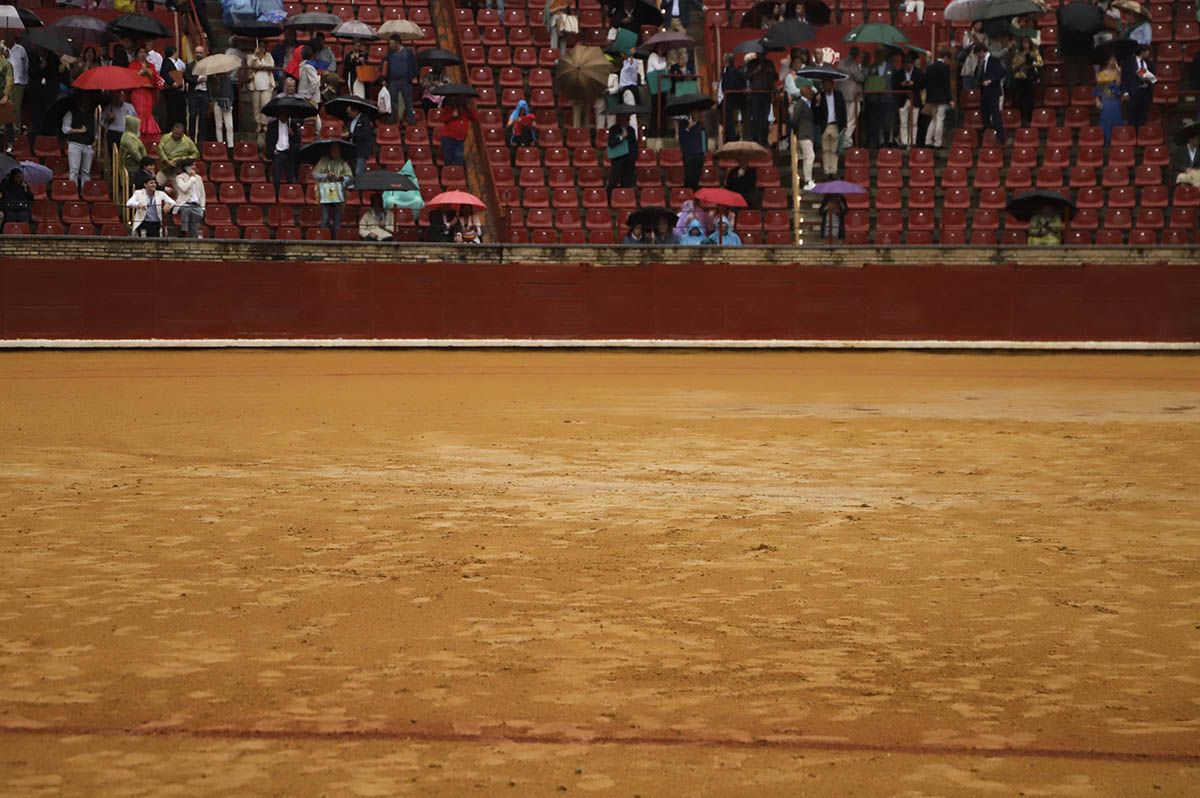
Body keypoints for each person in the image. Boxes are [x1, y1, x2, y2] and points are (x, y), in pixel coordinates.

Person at [314, 142, 353, 238]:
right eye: (333, 149)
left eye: (337, 150)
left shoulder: (342, 163)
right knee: (325, 217)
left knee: (337, 219)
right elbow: (315, 175)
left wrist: (342, 178)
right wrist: (326, 175)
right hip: (325, 192)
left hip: (338, 193)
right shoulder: (323, 161)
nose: (335, 152)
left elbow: (350, 177)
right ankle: (323, 237)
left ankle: (336, 239)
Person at [128, 46, 163, 143]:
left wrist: (150, 73)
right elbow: (130, 79)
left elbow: (157, 80)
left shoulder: (151, 65)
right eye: (140, 52)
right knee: (138, 114)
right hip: (137, 92)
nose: (143, 54)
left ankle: (148, 138)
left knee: (148, 114)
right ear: (137, 54)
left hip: (148, 92)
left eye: (144, 52)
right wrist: (141, 72)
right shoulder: (133, 65)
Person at [61, 97, 96, 191]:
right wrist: (79, 131)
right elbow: (65, 129)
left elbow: (94, 130)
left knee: (86, 172)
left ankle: (85, 191)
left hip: (88, 145)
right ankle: (73, 192)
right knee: (74, 171)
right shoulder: (71, 112)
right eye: (85, 100)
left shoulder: (91, 114)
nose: (87, 102)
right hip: (75, 144)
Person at [975, 42, 1006, 145]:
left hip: (993, 91)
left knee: (995, 114)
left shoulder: (993, 60)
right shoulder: (983, 62)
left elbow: (1002, 73)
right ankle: (987, 133)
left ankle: (1000, 137)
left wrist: (991, 81)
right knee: (984, 114)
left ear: (982, 51)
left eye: (978, 54)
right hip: (986, 92)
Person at [922, 48, 954, 148]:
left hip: (931, 97)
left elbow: (926, 82)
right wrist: (950, 99)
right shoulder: (945, 68)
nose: (949, 62)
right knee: (940, 120)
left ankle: (927, 141)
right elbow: (946, 85)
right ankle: (937, 143)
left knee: (933, 119)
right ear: (945, 57)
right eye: (949, 59)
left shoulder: (930, 67)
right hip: (942, 98)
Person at [1009, 36, 1042, 130]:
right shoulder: (1018, 53)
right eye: (1023, 43)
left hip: (1030, 78)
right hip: (1019, 78)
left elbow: (1040, 63)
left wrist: (1031, 63)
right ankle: (1021, 118)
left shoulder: (1034, 52)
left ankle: (1029, 118)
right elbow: (1013, 67)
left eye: (1027, 43)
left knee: (1030, 99)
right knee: (1020, 99)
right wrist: (1022, 63)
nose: (1025, 44)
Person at [891, 53, 923, 148]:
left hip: (915, 99)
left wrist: (914, 83)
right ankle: (904, 142)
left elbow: (923, 84)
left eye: (909, 63)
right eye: (906, 63)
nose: (908, 65)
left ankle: (912, 142)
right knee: (903, 123)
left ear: (912, 64)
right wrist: (902, 84)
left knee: (914, 123)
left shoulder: (918, 73)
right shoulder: (898, 73)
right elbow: (894, 86)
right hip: (902, 100)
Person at [383, 35, 417, 125]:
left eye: (392, 43)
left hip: (405, 81)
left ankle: (411, 121)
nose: (390, 45)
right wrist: (384, 78)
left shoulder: (408, 52)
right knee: (392, 102)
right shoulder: (389, 53)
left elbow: (414, 65)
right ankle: (392, 120)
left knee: (408, 102)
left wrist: (412, 76)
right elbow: (384, 65)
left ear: (397, 43)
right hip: (393, 81)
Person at [864, 49, 895, 148]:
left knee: (887, 121)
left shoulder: (891, 68)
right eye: (877, 55)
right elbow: (867, 80)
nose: (879, 57)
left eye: (881, 55)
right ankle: (877, 143)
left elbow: (894, 82)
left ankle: (887, 142)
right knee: (875, 122)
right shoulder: (871, 68)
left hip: (887, 99)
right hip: (874, 98)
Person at [814, 79, 846, 176]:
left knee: (834, 149)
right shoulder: (820, 96)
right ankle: (826, 170)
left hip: (835, 124)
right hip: (825, 126)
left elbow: (843, 109)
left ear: (832, 85)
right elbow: (815, 113)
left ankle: (833, 170)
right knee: (825, 149)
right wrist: (817, 102)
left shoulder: (838, 95)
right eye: (825, 85)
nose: (827, 87)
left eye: (829, 84)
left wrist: (844, 124)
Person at [266, 111, 302, 194]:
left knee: (290, 177)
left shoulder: (293, 125)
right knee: (276, 178)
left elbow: (297, 141)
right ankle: (277, 195)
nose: (282, 117)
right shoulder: (272, 125)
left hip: (289, 153)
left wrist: (292, 134)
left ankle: (291, 195)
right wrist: (273, 151)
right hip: (277, 153)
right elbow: (268, 140)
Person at [836, 47, 865, 147]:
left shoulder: (841, 62)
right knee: (851, 119)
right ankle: (846, 141)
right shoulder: (852, 63)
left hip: (842, 94)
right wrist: (862, 70)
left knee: (846, 119)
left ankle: (844, 140)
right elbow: (860, 78)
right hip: (852, 95)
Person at [1121, 44, 1154, 131]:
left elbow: (1153, 78)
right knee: (1132, 117)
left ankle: (1141, 137)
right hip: (1134, 92)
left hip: (1145, 92)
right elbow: (1125, 78)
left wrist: (1149, 79)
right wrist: (1125, 92)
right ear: (1142, 51)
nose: (1148, 52)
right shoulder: (1129, 62)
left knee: (1143, 117)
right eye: (1147, 50)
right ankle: (1132, 137)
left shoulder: (1148, 63)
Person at [157, 122, 200, 186]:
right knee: (155, 184)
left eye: (179, 134)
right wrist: (166, 161)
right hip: (165, 168)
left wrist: (184, 158)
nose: (177, 135)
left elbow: (196, 154)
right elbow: (160, 149)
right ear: (172, 131)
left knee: (181, 190)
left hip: (179, 170)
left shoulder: (188, 141)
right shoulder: (165, 137)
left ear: (183, 133)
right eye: (175, 133)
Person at [791, 84, 816, 191]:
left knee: (807, 157)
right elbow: (794, 120)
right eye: (810, 91)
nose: (812, 92)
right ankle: (808, 181)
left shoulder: (808, 103)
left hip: (808, 134)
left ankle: (808, 180)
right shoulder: (800, 104)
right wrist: (797, 131)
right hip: (803, 134)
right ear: (805, 92)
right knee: (810, 156)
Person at [246, 42, 275, 134]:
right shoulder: (251, 56)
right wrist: (255, 55)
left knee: (265, 104)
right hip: (255, 85)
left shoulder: (268, 56)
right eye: (259, 47)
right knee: (256, 106)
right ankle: (258, 124)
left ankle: (264, 123)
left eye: (263, 47)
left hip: (266, 84)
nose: (261, 49)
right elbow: (250, 65)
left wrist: (261, 66)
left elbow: (271, 65)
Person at [172, 159, 205, 238]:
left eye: (194, 165)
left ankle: (194, 241)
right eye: (192, 165)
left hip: (196, 206)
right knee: (187, 209)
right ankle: (184, 230)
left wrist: (203, 207)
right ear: (186, 167)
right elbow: (184, 188)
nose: (194, 167)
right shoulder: (179, 177)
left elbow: (202, 194)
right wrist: (191, 178)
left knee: (194, 226)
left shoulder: (199, 178)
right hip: (183, 204)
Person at [1095, 58, 1124, 147]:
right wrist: (1097, 101)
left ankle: (1118, 142)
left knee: (1116, 121)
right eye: (1111, 59)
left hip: (1116, 101)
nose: (1113, 61)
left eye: (1115, 59)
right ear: (1107, 61)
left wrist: (1119, 74)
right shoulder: (1102, 74)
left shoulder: (1120, 72)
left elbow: (1119, 86)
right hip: (1106, 100)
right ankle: (1106, 142)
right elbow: (1099, 90)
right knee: (1106, 122)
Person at [607, 111, 637, 194]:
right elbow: (611, 143)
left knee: (627, 182)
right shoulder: (613, 129)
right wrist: (622, 137)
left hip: (629, 160)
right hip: (617, 159)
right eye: (625, 118)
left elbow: (634, 144)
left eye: (628, 118)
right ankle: (610, 199)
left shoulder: (631, 130)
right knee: (613, 181)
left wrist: (634, 157)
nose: (627, 120)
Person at [184, 45, 209, 144]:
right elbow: (186, 78)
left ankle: (201, 138)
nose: (198, 54)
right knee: (193, 115)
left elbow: (211, 81)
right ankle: (191, 136)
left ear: (203, 54)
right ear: (194, 53)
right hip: (194, 93)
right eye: (197, 52)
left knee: (203, 116)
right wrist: (198, 80)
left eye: (200, 52)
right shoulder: (190, 65)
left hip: (204, 93)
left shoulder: (207, 66)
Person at [440, 100, 476, 166]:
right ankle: (449, 174)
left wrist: (470, 109)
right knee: (448, 159)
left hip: (460, 140)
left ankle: (458, 175)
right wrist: (452, 115)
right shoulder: (449, 107)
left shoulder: (466, 110)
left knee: (459, 159)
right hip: (448, 138)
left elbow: (475, 118)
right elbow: (442, 118)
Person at [719, 53, 745, 142]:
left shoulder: (730, 72)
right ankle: (729, 134)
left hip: (731, 98)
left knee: (727, 116)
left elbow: (726, 86)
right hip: (732, 97)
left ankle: (731, 136)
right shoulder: (733, 71)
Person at [161, 45, 187, 131]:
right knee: (172, 111)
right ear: (173, 52)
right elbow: (164, 73)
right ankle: (171, 129)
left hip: (179, 90)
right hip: (172, 91)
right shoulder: (167, 61)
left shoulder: (177, 62)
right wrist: (173, 83)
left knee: (180, 111)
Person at [297, 47, 322, 132]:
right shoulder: (303, 66)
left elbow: (315, 82)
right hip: (304, 96)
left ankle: (318, 133)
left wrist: (309, 95)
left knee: (314, 116)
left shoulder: (308, 67)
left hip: (309, 97)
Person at [7, 40, 26, 151]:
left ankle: (16, 130)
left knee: (16, 108)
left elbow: (25, 65)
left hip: (18, 82)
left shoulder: (21, 49)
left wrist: (24, 80)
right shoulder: (1, 47)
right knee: (5, 109)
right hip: (4, 83)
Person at [678, 109, 705, 190]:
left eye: (696, 112)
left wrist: (704, 151)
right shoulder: (683, 124)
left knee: (696, 177)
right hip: (688, 154)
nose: (694, 114)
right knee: (689, 176)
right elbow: (682, 139)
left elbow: (703, 138)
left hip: (699, 154)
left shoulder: (701, 125)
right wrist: (688, 128)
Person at [210, 67, 236, 151]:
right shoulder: (214, 80)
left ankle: (230, 145)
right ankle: (220, 143)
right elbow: (214, 92)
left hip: (227, 103)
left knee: (229, 126)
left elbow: (231, 92)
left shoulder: (228, 79)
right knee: (219, 125)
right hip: (217, 102)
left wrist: (231, 102)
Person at [345, 103, 374, 178]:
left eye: (350, 113)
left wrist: (350, 135)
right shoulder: (350, 122)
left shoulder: (365, 120)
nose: (349, 115)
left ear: (355, 111)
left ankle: (359, 189)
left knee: (358, 172)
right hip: (352, 150)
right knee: (352, 172)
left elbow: (365, 134)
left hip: (361, 150)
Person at [119, 115, 147, 181]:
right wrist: (145, 164)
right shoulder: (129, 138)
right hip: (133, 168)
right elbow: (135, 153)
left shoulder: (130, 135)